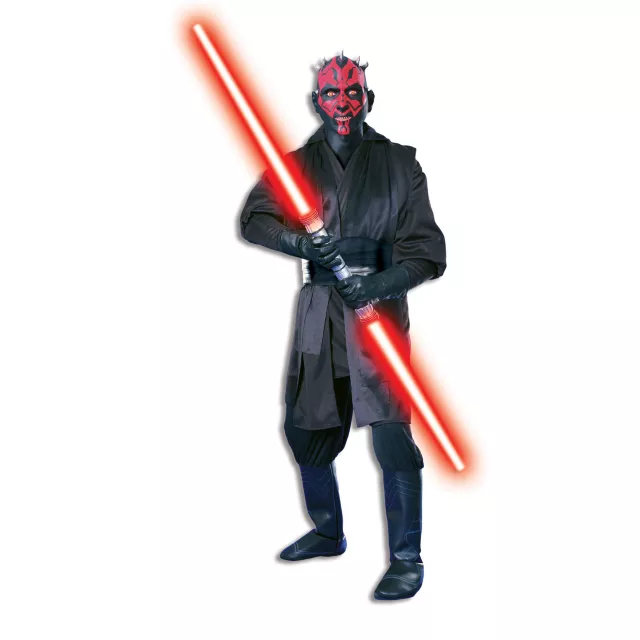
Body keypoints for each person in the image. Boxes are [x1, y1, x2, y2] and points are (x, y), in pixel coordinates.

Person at [239, 53, 446, 600]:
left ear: (368, 99)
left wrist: (379, 285)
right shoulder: (294, 166)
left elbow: (430, 252)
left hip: (378, 315)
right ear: (317, 101)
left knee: (392, 434)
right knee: (305, 426)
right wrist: (299, 243)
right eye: (331, 93)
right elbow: (254, 219)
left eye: (353, 92)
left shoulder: (401, 163)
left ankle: (407, 558)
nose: (342, 103)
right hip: (319, 312)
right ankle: (328, 531)